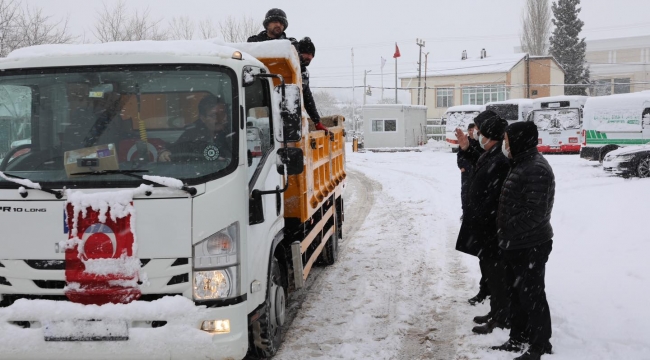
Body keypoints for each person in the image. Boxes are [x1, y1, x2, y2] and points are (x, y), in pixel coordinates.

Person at [491, 121, 555, 360]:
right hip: (515, 243)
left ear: (519, 141)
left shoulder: (536, 168)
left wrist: (508, 228)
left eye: (507, 140)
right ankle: (517, 338)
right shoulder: (520, 164)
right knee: (517, 294)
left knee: (533, 296)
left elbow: (536, 212)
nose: (505, 145)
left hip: (531, 244)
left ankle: (540, 345)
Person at [455, 111, 511, 335]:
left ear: (489, 136)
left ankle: (501, 316)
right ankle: (496, 311)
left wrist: (480, 215)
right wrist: (466, 149)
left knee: (498, 278)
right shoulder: (491, 153)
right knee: (491, 274)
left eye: (480, 133)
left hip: (490, 228)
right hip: (485, 226)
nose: (478, 136)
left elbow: (494, 196)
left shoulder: (500, 158)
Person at [455, 112, 488, 307]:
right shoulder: (479, 149)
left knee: (491, 261)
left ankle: (494, 299)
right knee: (485, 259)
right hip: (471, 193)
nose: (474, 133)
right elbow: (464, 161)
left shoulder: (496, 155)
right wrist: (466, 149)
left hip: (491, 218)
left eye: (478, 130)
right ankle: (487, 290)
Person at [158, 95, 232, 162]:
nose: (219, 119)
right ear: (203, 118)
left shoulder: (232, 131)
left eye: (222, 114)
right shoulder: (192, 134)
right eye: (213, 116)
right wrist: (165, 153)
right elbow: (176, 150)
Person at [296, 37, 328, 132]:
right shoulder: (289, 69)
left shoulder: (304, 74)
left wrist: (317, 121)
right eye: (307, 53)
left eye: (311, 55)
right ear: (298, 52)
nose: (310, 57)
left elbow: (307, 98)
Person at [458, 123, 478, 215]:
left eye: (473, 129)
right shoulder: (465, 141)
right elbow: (460, 155)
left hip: (476, 172)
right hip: (466, 171)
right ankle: (465, 212)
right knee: (465, 192)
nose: (471, 132)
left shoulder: (480, 142)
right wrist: (461, 166)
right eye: (469, 130)